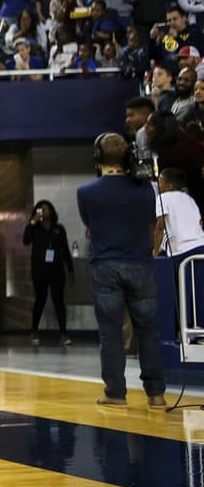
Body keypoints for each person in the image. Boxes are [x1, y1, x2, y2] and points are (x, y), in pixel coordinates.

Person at [75, 134, 166, 408]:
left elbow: (90, 227)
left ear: (97, 157)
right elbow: (151, 224)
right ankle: (157, 395)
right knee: (148, 332)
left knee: (111, 332)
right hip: (140, 264)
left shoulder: (86, 192)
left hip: (106, 266)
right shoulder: (145, 190)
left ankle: (115, 393)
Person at [22, 200, 74, 346]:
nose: (43, 212)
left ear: (51, 211)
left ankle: (63, 334)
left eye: (45, 209)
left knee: (58, 301)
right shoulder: (35, 228)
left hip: (56, 269)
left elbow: (65, 249)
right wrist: (32, 222)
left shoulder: (59, 229)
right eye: (40, 210)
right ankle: (34, 331)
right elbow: (25, 240)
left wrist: (70, 270)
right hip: (39, 269)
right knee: (40, 299)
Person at [154, 167, 204, 265]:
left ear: (170, 185)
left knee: (182, 279)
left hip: (182, 251)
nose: (158, 185)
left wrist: (155, 251)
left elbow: (160, 227)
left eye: (160, 181)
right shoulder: (189, 199)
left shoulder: (163, 198)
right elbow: (199, 222)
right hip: (201, 246)